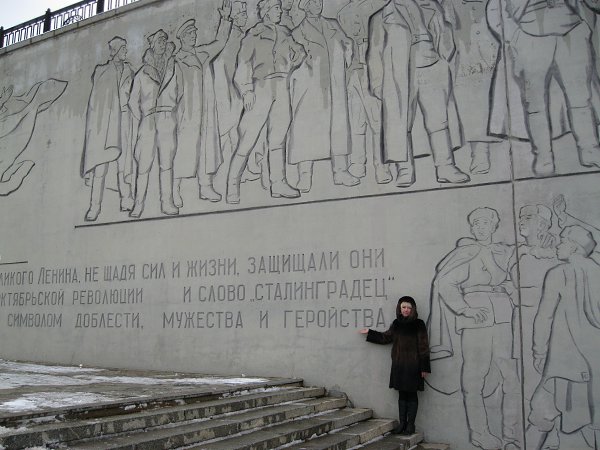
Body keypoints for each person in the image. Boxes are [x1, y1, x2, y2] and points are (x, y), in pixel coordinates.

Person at [359, 296, 431, 435]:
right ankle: (402, 424)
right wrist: (370, 332)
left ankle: (411, 426)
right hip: (399, 366)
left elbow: (424, 346)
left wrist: (424, 367)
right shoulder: (397, 323)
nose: (406, 310)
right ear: (399, 308)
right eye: (404, 307)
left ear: (413, 309)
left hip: (414, 366)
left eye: (409, 307)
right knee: (402, 395)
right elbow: (386, 337)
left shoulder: (419, 324)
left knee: (412, 395)